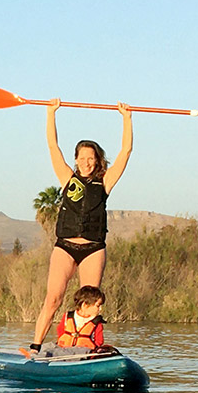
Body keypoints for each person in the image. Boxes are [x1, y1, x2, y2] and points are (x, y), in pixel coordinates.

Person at [28, 101, 133, 353]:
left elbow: (126, 151)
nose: (86, 162)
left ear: (97, 161)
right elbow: (53, 146)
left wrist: (126, 118)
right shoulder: (67, 178)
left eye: (91, 158)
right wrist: (51, 113)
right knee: (53, 298)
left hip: (93, 249)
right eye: (82, 158)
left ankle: (88, 346)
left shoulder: (104, 183)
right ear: (76, 160)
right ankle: (35, 347)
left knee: (91, 303)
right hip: (65, 247)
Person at [51, 285, 110, 355]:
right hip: (64, 350)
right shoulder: (68, 316)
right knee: (48, 347)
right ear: (85, 305)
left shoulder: (97, 323)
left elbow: (99, 341)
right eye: (98, 306)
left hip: (84, 352)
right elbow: (60, 331)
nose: (100, 309)